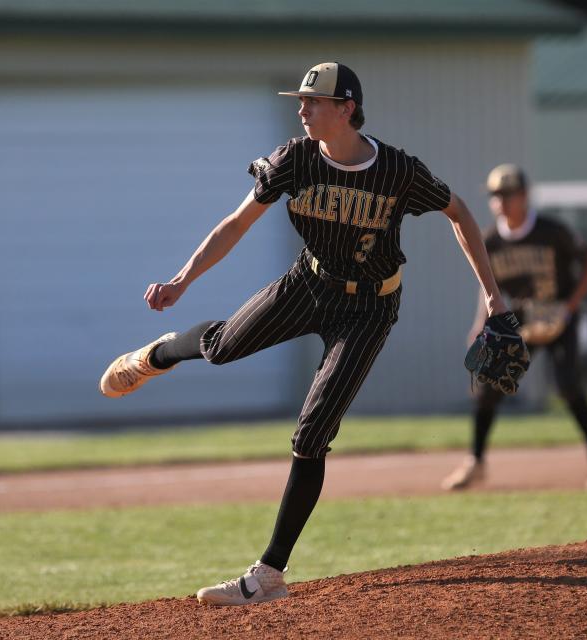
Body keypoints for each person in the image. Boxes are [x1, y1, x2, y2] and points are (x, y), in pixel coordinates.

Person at [99, 62, 524, 607]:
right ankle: (154, 357)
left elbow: (460, 212)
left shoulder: (396, 171)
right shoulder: (294, 159)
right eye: (300, 101)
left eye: (313, 102)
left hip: (370, 308)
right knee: (222, 347)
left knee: (312, 432)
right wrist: (183, 280)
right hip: (309, 283)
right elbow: (236, 222)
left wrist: (492, 295)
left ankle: (268, 574)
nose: (301, 110)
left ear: (346, 108)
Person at [441, 164, 587, 492]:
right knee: (489, 384)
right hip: (520, 316)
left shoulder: (551, 231)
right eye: (495, 196)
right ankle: (475, 462)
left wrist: (570, 306)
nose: (501, 202)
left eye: (508, 194)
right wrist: (481, 322)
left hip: (559, 313)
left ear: (524, 196)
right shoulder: (490, 239)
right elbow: (486, 282)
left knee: (568, 384)